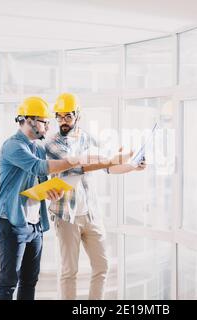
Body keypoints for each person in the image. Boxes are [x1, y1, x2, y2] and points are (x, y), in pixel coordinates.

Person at [45, 93, 146, 300]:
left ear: (77, 116)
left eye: (68, 116)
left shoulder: (86, 137)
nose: (63, 121)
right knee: (69, 272)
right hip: (66, 217)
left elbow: (108, 166)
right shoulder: (52, 144)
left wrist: (132, 166)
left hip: (91, 213)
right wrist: (110, 160)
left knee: (102, 267)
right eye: (59, 117)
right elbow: (76, 165)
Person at [0, 96, 94, 300]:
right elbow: (38, 166)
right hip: (12, 222)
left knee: (30, 282)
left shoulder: (38, 147)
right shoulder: (12, 146)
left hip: (34, 225)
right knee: (8, 282)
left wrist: (51, 191)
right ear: (29, 120)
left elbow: (40, 180)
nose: (49, 127)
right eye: (44, 121)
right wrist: (74, 160)